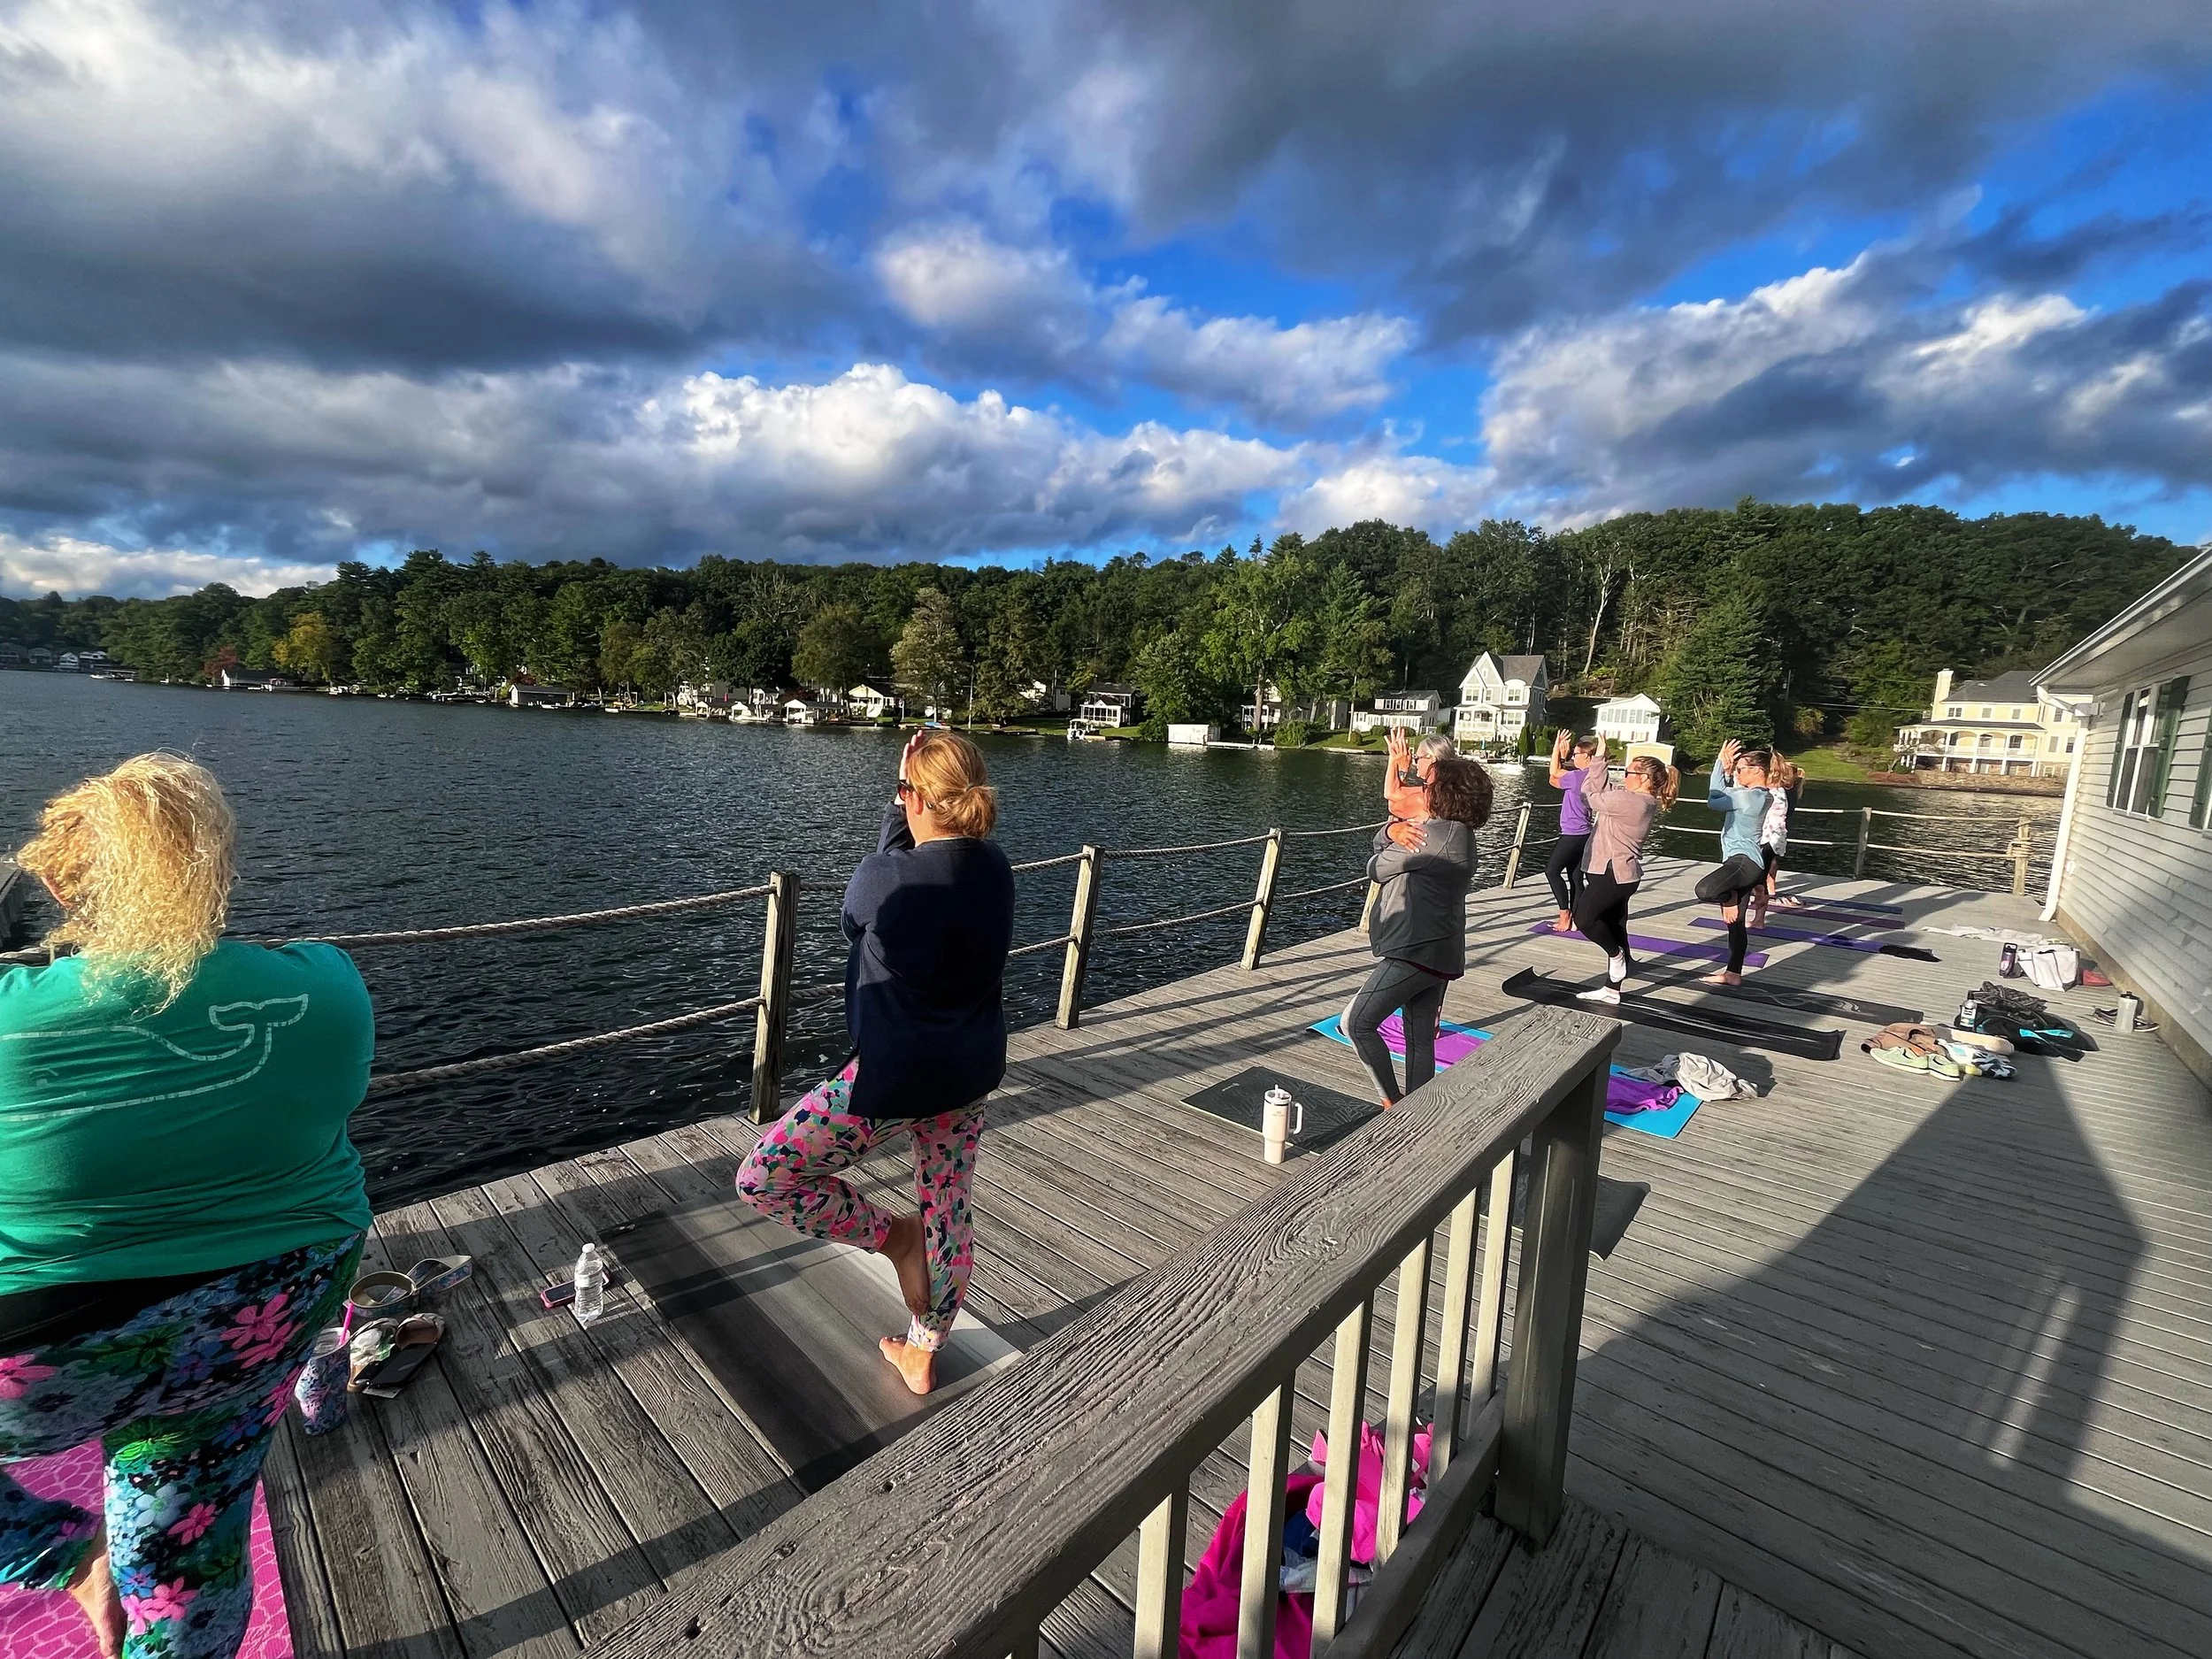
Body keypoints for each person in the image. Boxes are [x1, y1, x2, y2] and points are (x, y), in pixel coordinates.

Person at [0, 754, 373, 1659]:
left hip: (41, 1359)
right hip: (263, 1315)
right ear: (217, 870)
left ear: (53, 880)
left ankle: (50, 1551)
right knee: (187, 1551)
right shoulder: (328, 986)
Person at [733, 729, 1013, 1397]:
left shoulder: (880, 877)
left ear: (916, 798)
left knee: (763, 1177)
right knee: (949, 1207)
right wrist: (906, 799)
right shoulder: (995, 869)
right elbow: (920, 868)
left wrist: (895, 807)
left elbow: (862, 915)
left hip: (889, 1082)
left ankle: (892, 1238)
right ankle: (922, 1350)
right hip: (968, 1074)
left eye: (904, 794)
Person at [1344, 730, 1493, 1107]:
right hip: (1441, 951)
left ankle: (1392, 1102)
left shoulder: (1432, 837)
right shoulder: (1459, 833)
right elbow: (1392, 833)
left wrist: (1387, 833)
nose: (1423, 790)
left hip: (1414, 951)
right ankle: (1418, 1109)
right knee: (1419, 1037)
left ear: (1445, 793)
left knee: (1357, 1023)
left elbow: (1375, 867)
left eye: (1429, 784)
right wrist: (1392, 829)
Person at [1570, 737, 1678, 1004]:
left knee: (1584, 919)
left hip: (1614, 873)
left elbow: (1589, 796)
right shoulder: (1636, 799)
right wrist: (1600, 760)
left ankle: (1618, 957)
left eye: (1628, 773)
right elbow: (1601, 790)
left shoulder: (1635, 802)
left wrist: (1599, 761)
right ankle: (1612, 989)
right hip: (1617, 873)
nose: (1624, 776)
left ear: (1642, 778)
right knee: (1615, 925)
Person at [1694, 739, 1772, 986]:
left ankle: (1729, 898)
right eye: (1736, 769)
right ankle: (1733, 973)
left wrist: (1720, 764)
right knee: (1736, 923)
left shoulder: (1747, 798)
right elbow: (1724, 795)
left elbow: (1713, 799)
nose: (1736, 774)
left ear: (1757, 771)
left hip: (1741, 863)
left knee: (1706, 890)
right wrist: (1729, 772)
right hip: (1747, 863)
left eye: (1740, 769)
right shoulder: (1762, 795)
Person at [1544, 730, 1601, 933]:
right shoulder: (1593, 776)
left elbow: (1552, 776)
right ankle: (1578, 919)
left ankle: (1565, 915)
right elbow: (1559, 775)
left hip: (1572, 833)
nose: (1573, 757)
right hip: (1585, 833)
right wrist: (1563, 757)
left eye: (1576, 754)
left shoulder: (1576, 777)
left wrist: (1556, 751)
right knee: (1576, 877)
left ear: (1586, 756)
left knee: (1551, 872)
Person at [1753, 755, 1804, 924]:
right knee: (1762, 876)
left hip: (1767, 838)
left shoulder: (1770, 791)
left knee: (1757, 877)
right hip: (1775, 838)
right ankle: (1759, 917)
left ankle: (1758, 917)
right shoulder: (1782, 791)